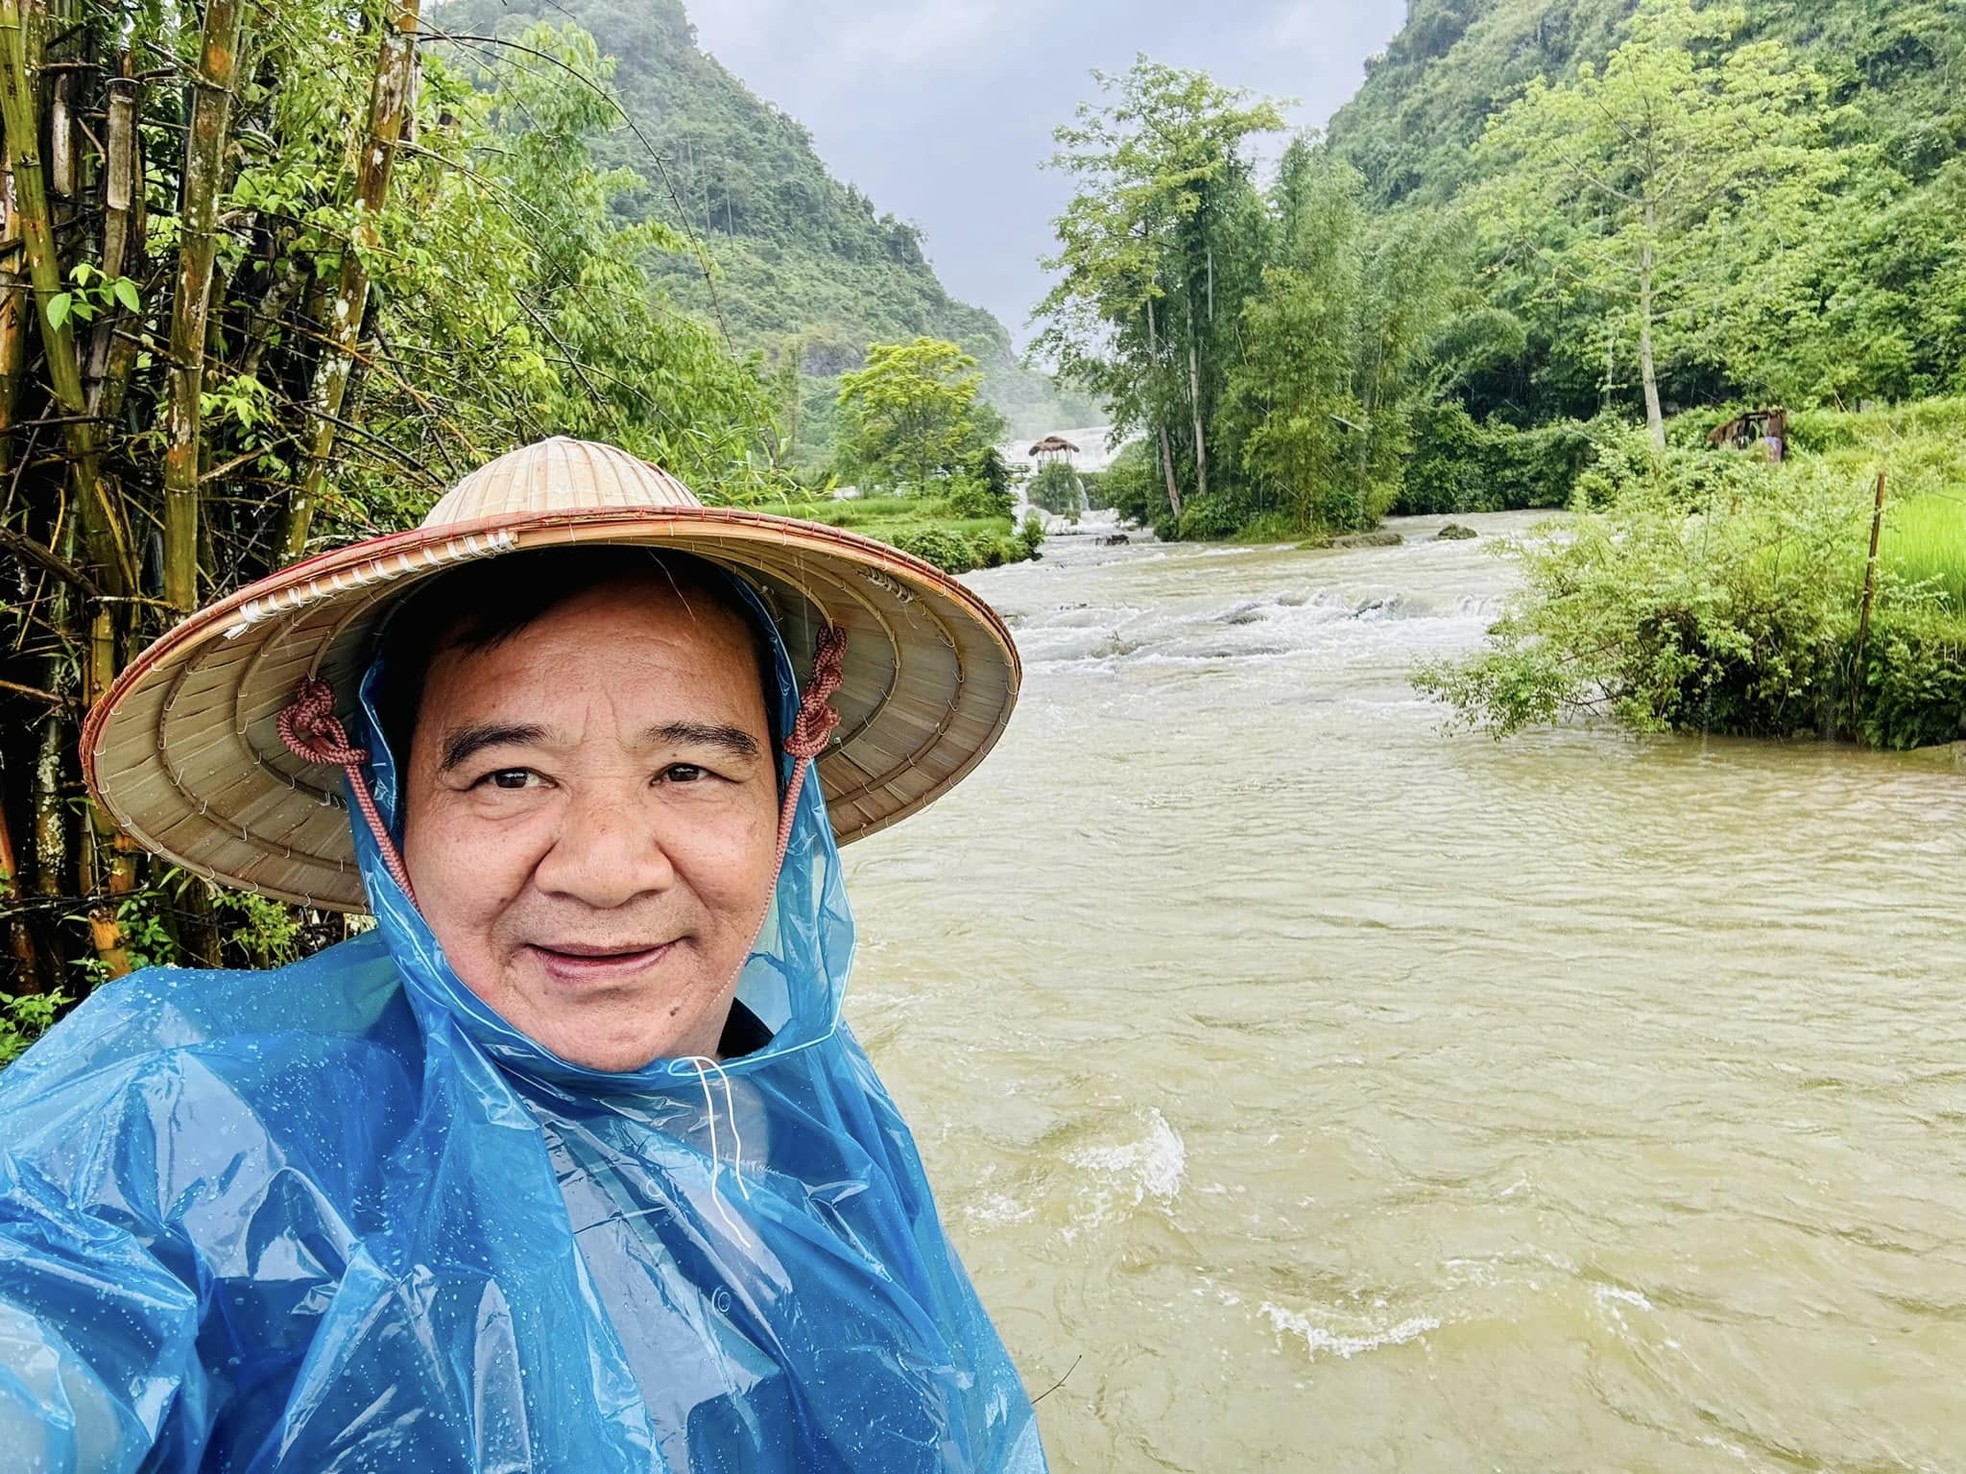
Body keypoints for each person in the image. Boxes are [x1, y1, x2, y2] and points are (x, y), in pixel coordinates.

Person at [0, 439, 1046, 1472]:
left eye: (686, 769)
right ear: (391, 813)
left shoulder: (824, 1116)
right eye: (506, 775)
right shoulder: (190, 1139)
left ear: (784, 804)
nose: (605, 869)